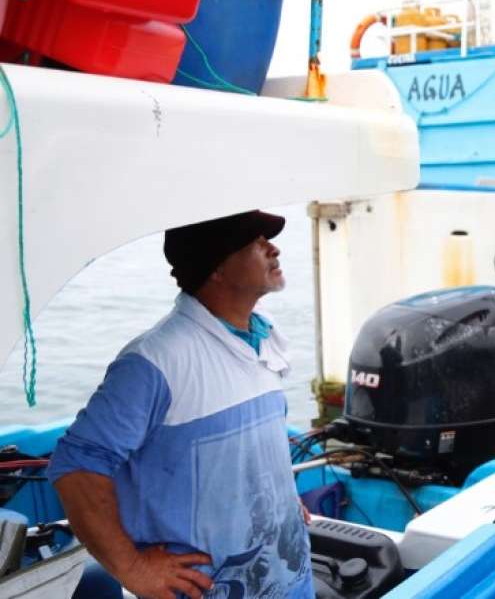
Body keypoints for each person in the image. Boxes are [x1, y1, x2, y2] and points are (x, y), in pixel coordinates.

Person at [47, 211, 313, 599]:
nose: (273, 249)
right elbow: (77, 466)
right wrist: (133, 568)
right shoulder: (156, 360)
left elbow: (260, 439)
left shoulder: (266, 336)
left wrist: (281, 500)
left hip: (291, 581)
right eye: (257, 243)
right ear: (218, 267)